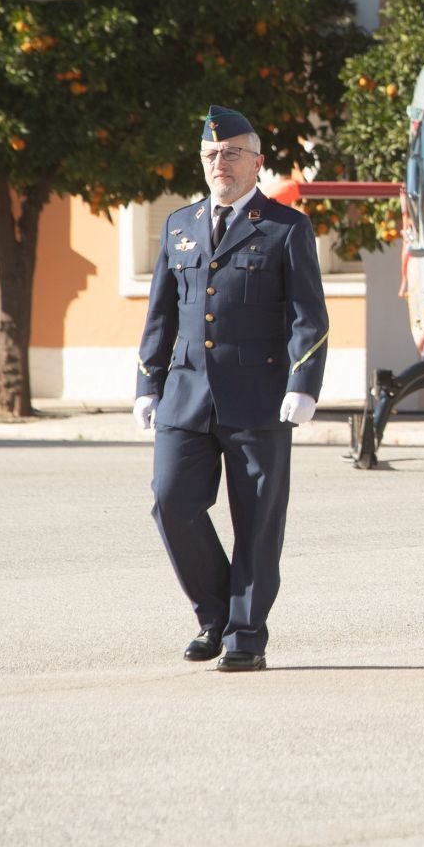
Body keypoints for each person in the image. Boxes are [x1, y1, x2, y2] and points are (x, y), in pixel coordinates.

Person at [133, 105, 328, 673]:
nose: (221, 163)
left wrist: (303, 382)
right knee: (171, 502)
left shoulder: (287, 227)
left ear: (257, 162)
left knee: (258, 518)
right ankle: (214, 612)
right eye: (212, 154)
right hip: (186, 393)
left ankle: (246, 631)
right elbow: (160, 315)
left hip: (259, 396)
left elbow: (308, 317)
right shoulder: (179, 225)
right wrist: (148, 382)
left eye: (233, 153)